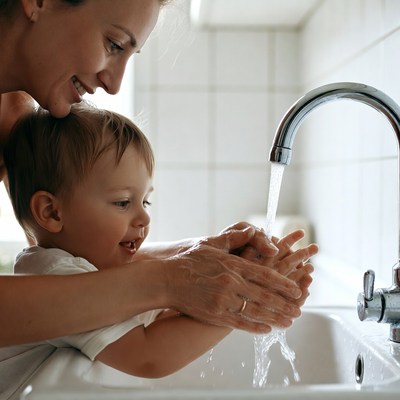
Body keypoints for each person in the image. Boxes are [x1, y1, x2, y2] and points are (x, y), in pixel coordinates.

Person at [0, 0, 309, 351]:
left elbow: (61, 257)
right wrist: (173, 281)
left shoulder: (16, 114)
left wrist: (195, 257)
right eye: (113, 44)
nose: (114, 84)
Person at [0, 104, 317, 397]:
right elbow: (148, 356)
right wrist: (237, 306)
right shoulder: (57, 273)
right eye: (123, 202)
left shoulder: (96, 268)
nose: (143, 217)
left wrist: (241, 272)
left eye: (145, 201)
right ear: (52, 213)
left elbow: (164, 316)